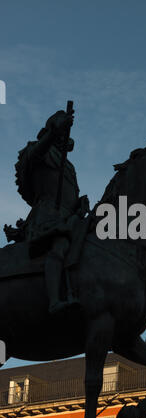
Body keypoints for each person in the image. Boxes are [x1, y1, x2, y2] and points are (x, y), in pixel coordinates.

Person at [15, 109, 89, 314]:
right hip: (47, 216)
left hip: (68, 217)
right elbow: (38, 151)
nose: (67, 139)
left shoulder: (69, 166)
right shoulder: (38, 150)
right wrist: (54, 131)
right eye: (63, 135)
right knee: (59, 246)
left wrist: (79, 207)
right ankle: (55, 300)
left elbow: (69, 196)